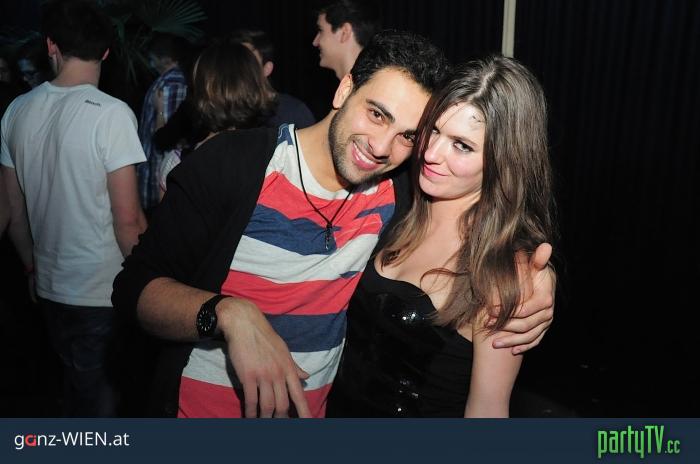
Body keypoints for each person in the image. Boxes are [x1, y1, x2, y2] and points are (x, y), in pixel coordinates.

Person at [112, 30, 554, 418]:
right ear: (345, 89)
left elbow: (488, 227)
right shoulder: (233, 165)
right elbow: (134, 290)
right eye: (377, 113)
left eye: (408, 135)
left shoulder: (397, 194)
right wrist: (229, 313)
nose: (381, 147)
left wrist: (533, 282)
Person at [327, 56, 556, 417]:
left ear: (503, 161)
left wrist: (533, 279)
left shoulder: (500, 272)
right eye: (432, 130)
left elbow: (487, 411)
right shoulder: (395, 201)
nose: (431, 154)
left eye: (462, 145)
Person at [0, 0, 147, 417]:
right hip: (103, 289)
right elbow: (128, 220)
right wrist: (150, 280)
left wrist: (31, 268)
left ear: (51, 46)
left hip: (50, 286)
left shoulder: (16, 110)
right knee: (100, 403)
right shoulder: (112, 115)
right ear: (106, 51)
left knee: (76, 389)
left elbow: (12, 210)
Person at [157, 41, 276, 200]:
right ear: (256, 85)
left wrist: (160, 110)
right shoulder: (278, 157)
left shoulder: (177, 164)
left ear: (200, 90)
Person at [137, 33, 188, 213]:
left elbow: (166, 137)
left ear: (166, 59)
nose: (151, 63)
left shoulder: (172, 83)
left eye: (153, 58)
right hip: (156, 171)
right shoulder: (169, 81)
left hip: (161, 172)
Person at [230, 29, 316, 129]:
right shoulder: (225, 111)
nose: (239, 68)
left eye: (247, 61)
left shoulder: (294, 111)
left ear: (267, 69)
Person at [312, 0, 380, 79]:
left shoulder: (374, 85)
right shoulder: (375, 81)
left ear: (345, 32)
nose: (315, 42)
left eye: (321, 30)